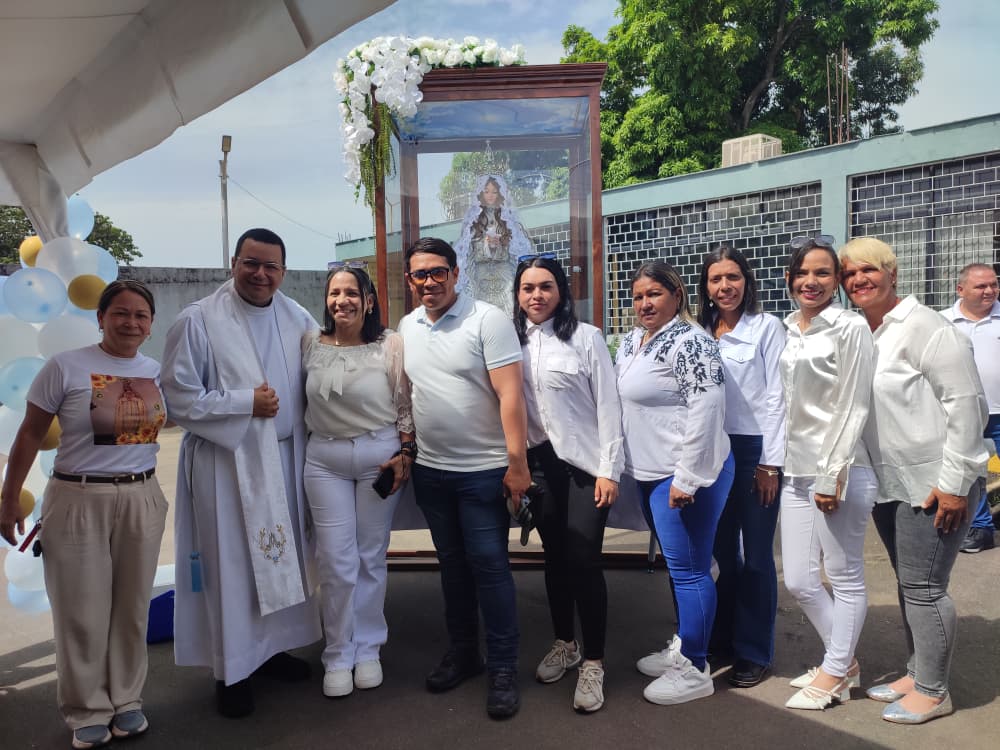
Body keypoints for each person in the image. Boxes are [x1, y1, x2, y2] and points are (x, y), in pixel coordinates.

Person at [0, 280, 168, 750]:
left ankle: (127, 701)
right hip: (77, 499)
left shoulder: (155, 370)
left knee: (132, 608)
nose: (130, 322)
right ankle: (87, 709)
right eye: (120, 312)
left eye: (140, 315)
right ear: (100, 317)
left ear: (151, 325)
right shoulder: (66, 367)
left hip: (141, 497)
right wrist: (9, 498)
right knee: (81, 611)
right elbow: (30, 434)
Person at [161, 228, 321, 718]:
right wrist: (244, 403)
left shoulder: (298, 317)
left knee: (281, 561)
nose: (260, 274)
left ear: (283, 272)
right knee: (232, 568)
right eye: (251, 263)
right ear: (233, 262)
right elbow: (177, 397)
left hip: (286, 460)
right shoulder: (199, 320)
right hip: (226, 466)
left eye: (271, 266)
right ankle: (232, 671)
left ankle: (271, 651)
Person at [841, 238, 989, 724]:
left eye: (868, 270)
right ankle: (916, 669)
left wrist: (954, 483)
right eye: (849, 274)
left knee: (925, 588)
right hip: (892, 483)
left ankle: (934, 689)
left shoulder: (926, 326)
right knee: (909, 584)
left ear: (892, 273)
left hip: (935, 481)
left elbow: (966, 405)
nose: (858, 279)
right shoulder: (865, 331)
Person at [398, 236, 530, 719]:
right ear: (410, 281)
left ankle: (502, 667)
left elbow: (511, 396)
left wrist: (517, 464)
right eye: (420, 274)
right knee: (452, 568)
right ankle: (465, 654)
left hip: (484, 472)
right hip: (433, 473)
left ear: (456, 274)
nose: (429, 281)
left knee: (491, 568)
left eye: (438, 272)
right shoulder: (407, 326)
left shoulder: (487, 321)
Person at [616, 260, 735, 705]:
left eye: (655, 294)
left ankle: (696, 668)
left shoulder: (692, 342)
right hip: (650, 473)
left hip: (684, 475)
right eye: (639, 295)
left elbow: (707, 410)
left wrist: (686, 478)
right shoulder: (633, 341)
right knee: (682, 565)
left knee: (689, 572)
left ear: (677, 295)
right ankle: (686, 644)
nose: (645, 303)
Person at [514, 255, 624, 713]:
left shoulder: (586, 338)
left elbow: (608, 406)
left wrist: (609, 470)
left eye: (545, 286)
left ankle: (594, 662)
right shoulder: (511, 343)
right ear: (516, 295)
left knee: (583, 558)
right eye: (527, 288)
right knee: (554, 558)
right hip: (538, 467)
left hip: (584, 466)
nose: (536, 295)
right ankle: (566, 643)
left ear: (561, 291)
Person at [301, 263, 414, 698]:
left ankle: (368, 650)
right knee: (334, 559)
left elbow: (405, 404)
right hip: (324, 457)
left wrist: (405, 454)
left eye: (352, 292)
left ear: (369, 300)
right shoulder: (309, 342)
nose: (342, 301)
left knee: (370, 557)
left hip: (377, 456)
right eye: (334, 293)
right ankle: (337, 653)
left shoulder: (390, 345)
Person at [778, 235, 877, 711]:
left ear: (837, 280)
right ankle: (846, 660)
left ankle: (836, 670)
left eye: (822, 273)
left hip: (839, 470)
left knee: (844, 574)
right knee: (798, 578)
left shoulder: (849, 328)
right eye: (803, 273)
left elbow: (853, 404)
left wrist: (831, 473)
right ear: (789, 279)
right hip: (795, 470)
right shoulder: (789, 328)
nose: (811, 282)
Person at [696, 246, 786, 688]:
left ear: (746, 281)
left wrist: (770, 463)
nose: (725, 286)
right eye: (716, 279)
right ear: (705, 287)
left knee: (755, 557)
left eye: (732, 277)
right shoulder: (700, 329)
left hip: (754, 452)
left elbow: (776, 398)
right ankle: (722, 640)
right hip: (711, 450)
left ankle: (755, 650)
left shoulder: (767, 328)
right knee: (721, 556)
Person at [941, 262, 999, 554]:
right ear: (961, 290)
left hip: (999, 413)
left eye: (993, 284)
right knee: (969, 472)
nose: (989, 290)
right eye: (981, 286)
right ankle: (980, 529)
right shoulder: (942, 323)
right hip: (961, 413)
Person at [453, 174, 534, 315]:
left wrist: (500, 245)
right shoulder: (473, 220)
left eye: (494, 192)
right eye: (487, 191)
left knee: (509, 310)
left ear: (500, 194)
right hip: (481, 274)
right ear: (481, 193)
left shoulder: (508, 219)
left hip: (504, 274)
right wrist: (486, 245)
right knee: (481, 313)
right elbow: (467, 251)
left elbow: (516, 249)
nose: (490, 195)